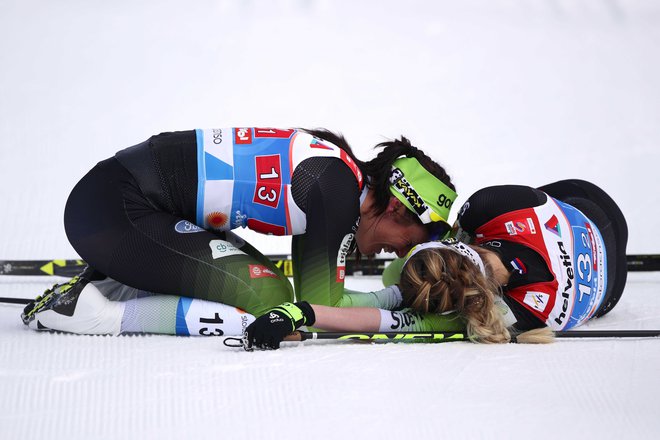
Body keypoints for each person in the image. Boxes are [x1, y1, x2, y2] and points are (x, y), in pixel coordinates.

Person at [21, 127, 457, 337]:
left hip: (113, 204)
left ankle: (110, 283)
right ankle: (97, 314)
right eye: (412, 243)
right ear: (399, 208)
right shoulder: (337, 193)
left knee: (273, 290)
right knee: (271, 300)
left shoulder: (338, 175)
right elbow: (320, 313)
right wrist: (400, 302)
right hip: (116, 213)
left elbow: (313, 301)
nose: (397, 254)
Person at [243, 179, 628, 349]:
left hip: (601, 250)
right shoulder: (492, 207)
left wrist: (302, 311)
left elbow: (379, 313)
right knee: (401, 277)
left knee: (396, 276)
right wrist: (302, 312)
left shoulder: (494, 310)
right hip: (590, 205)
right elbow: (384, 316)